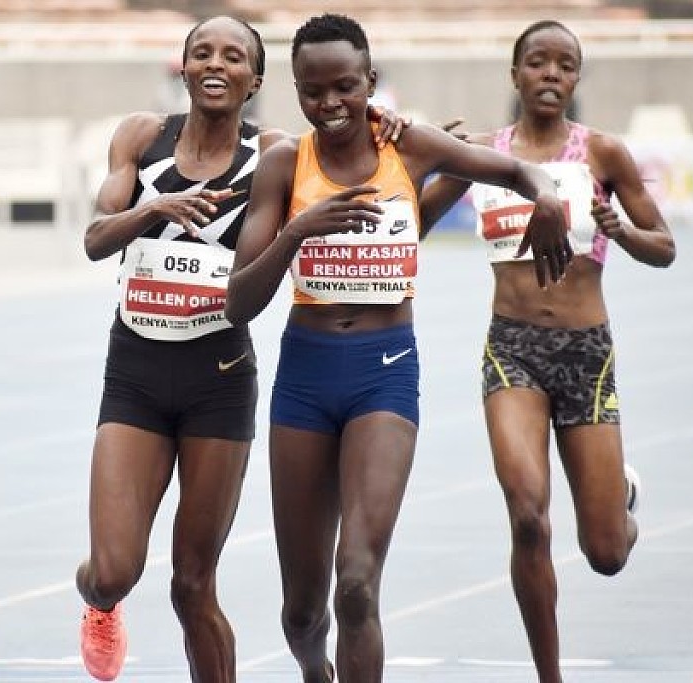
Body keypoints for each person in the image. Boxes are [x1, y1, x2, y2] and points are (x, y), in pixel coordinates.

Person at [225, 13, 573, 683]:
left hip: (384, 373)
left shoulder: (408, 147)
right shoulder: (284, 165)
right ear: (295, 90)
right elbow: (238, 303)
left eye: (345, 87)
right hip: (305, 378)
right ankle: (314, 670)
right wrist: (297, 231)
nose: (331, 103)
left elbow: (518, 169)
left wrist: (548, 198)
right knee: (302, 613)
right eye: (312, 91)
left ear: (371, 81)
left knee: (357, 581)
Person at [73, 15, 408, 683]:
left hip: (218, 378)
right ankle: (99, 604)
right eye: (202, 52)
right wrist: (153, 210)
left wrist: (385, 122)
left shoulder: (275, 153)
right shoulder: (140, 137)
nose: (215, 64)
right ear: (185, 67)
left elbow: (345, 137)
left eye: (233, 56)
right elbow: (95, 238)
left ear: (254, 79)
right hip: (136, 371)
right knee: (112, 569)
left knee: (192, 583)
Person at [423, 19, 676, 683]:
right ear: (515, 74)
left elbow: (665, 247)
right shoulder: (486, 154)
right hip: (512, 352)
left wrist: (622, 231)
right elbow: (411, 223)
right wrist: (426, 156)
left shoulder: (604, 155)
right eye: (538, 62)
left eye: (565, 65)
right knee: (529, 519)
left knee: (606, 553)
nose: (551, 74)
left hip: (586, 356)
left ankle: (620, 497)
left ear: (576, 78)